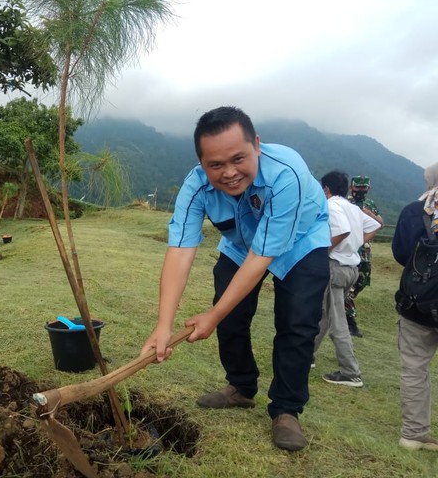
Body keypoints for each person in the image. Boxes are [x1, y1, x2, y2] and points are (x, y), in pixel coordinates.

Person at [140, 106, 331, 452]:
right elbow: (181, 251)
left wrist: (211, 318)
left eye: (238, 159)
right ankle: (241, 387)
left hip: (301, 242)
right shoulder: (196, 187)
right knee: (230, 315)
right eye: (215, 165)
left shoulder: (286, 174)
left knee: (297, 324)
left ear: (256, 144)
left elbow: (264, 256)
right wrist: (163, 324)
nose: (229, 173)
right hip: (242, 244)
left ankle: (287, 409)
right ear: (201, 163)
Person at [313, 171, 380, 388]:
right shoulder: (353, 208)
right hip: (351, 267)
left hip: (336, 266)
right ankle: (306, 356)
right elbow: (375, 225)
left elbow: (341, 230)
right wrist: (355, 244)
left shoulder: (332, 206)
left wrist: (326, 250)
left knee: (337, 321)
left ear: (326, 189)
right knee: (324, 314)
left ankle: (351, 372)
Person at [391, 163, 438, 451]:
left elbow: (400, 254)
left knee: (415, 368)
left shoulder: (414, 211)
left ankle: (414, 433)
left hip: (417, 303)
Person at [345, 176, 384, 337]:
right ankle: (350, 322)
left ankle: (342, 308)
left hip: (365, 254)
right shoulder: (345, 203)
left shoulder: (370, 204)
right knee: (346, 288)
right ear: (351, 187)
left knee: (360, 283)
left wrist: (369, 215)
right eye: (358, 188)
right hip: (349, 249)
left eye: (364, 188)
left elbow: (380, 223)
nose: (360, 191)